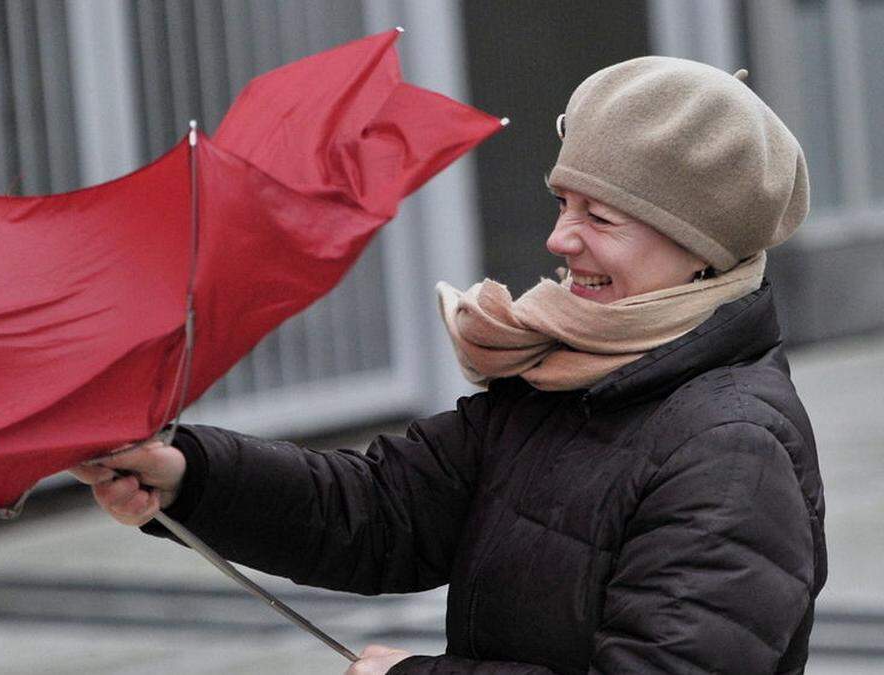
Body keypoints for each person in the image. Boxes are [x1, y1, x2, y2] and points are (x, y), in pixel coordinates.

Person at [71, 56, 825, 674]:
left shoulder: (732, 448)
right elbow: (377, 512)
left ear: (701, 251)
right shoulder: (563, 375)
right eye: (563, 203)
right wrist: (189, 476)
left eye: (601, 218)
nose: (561, 240)